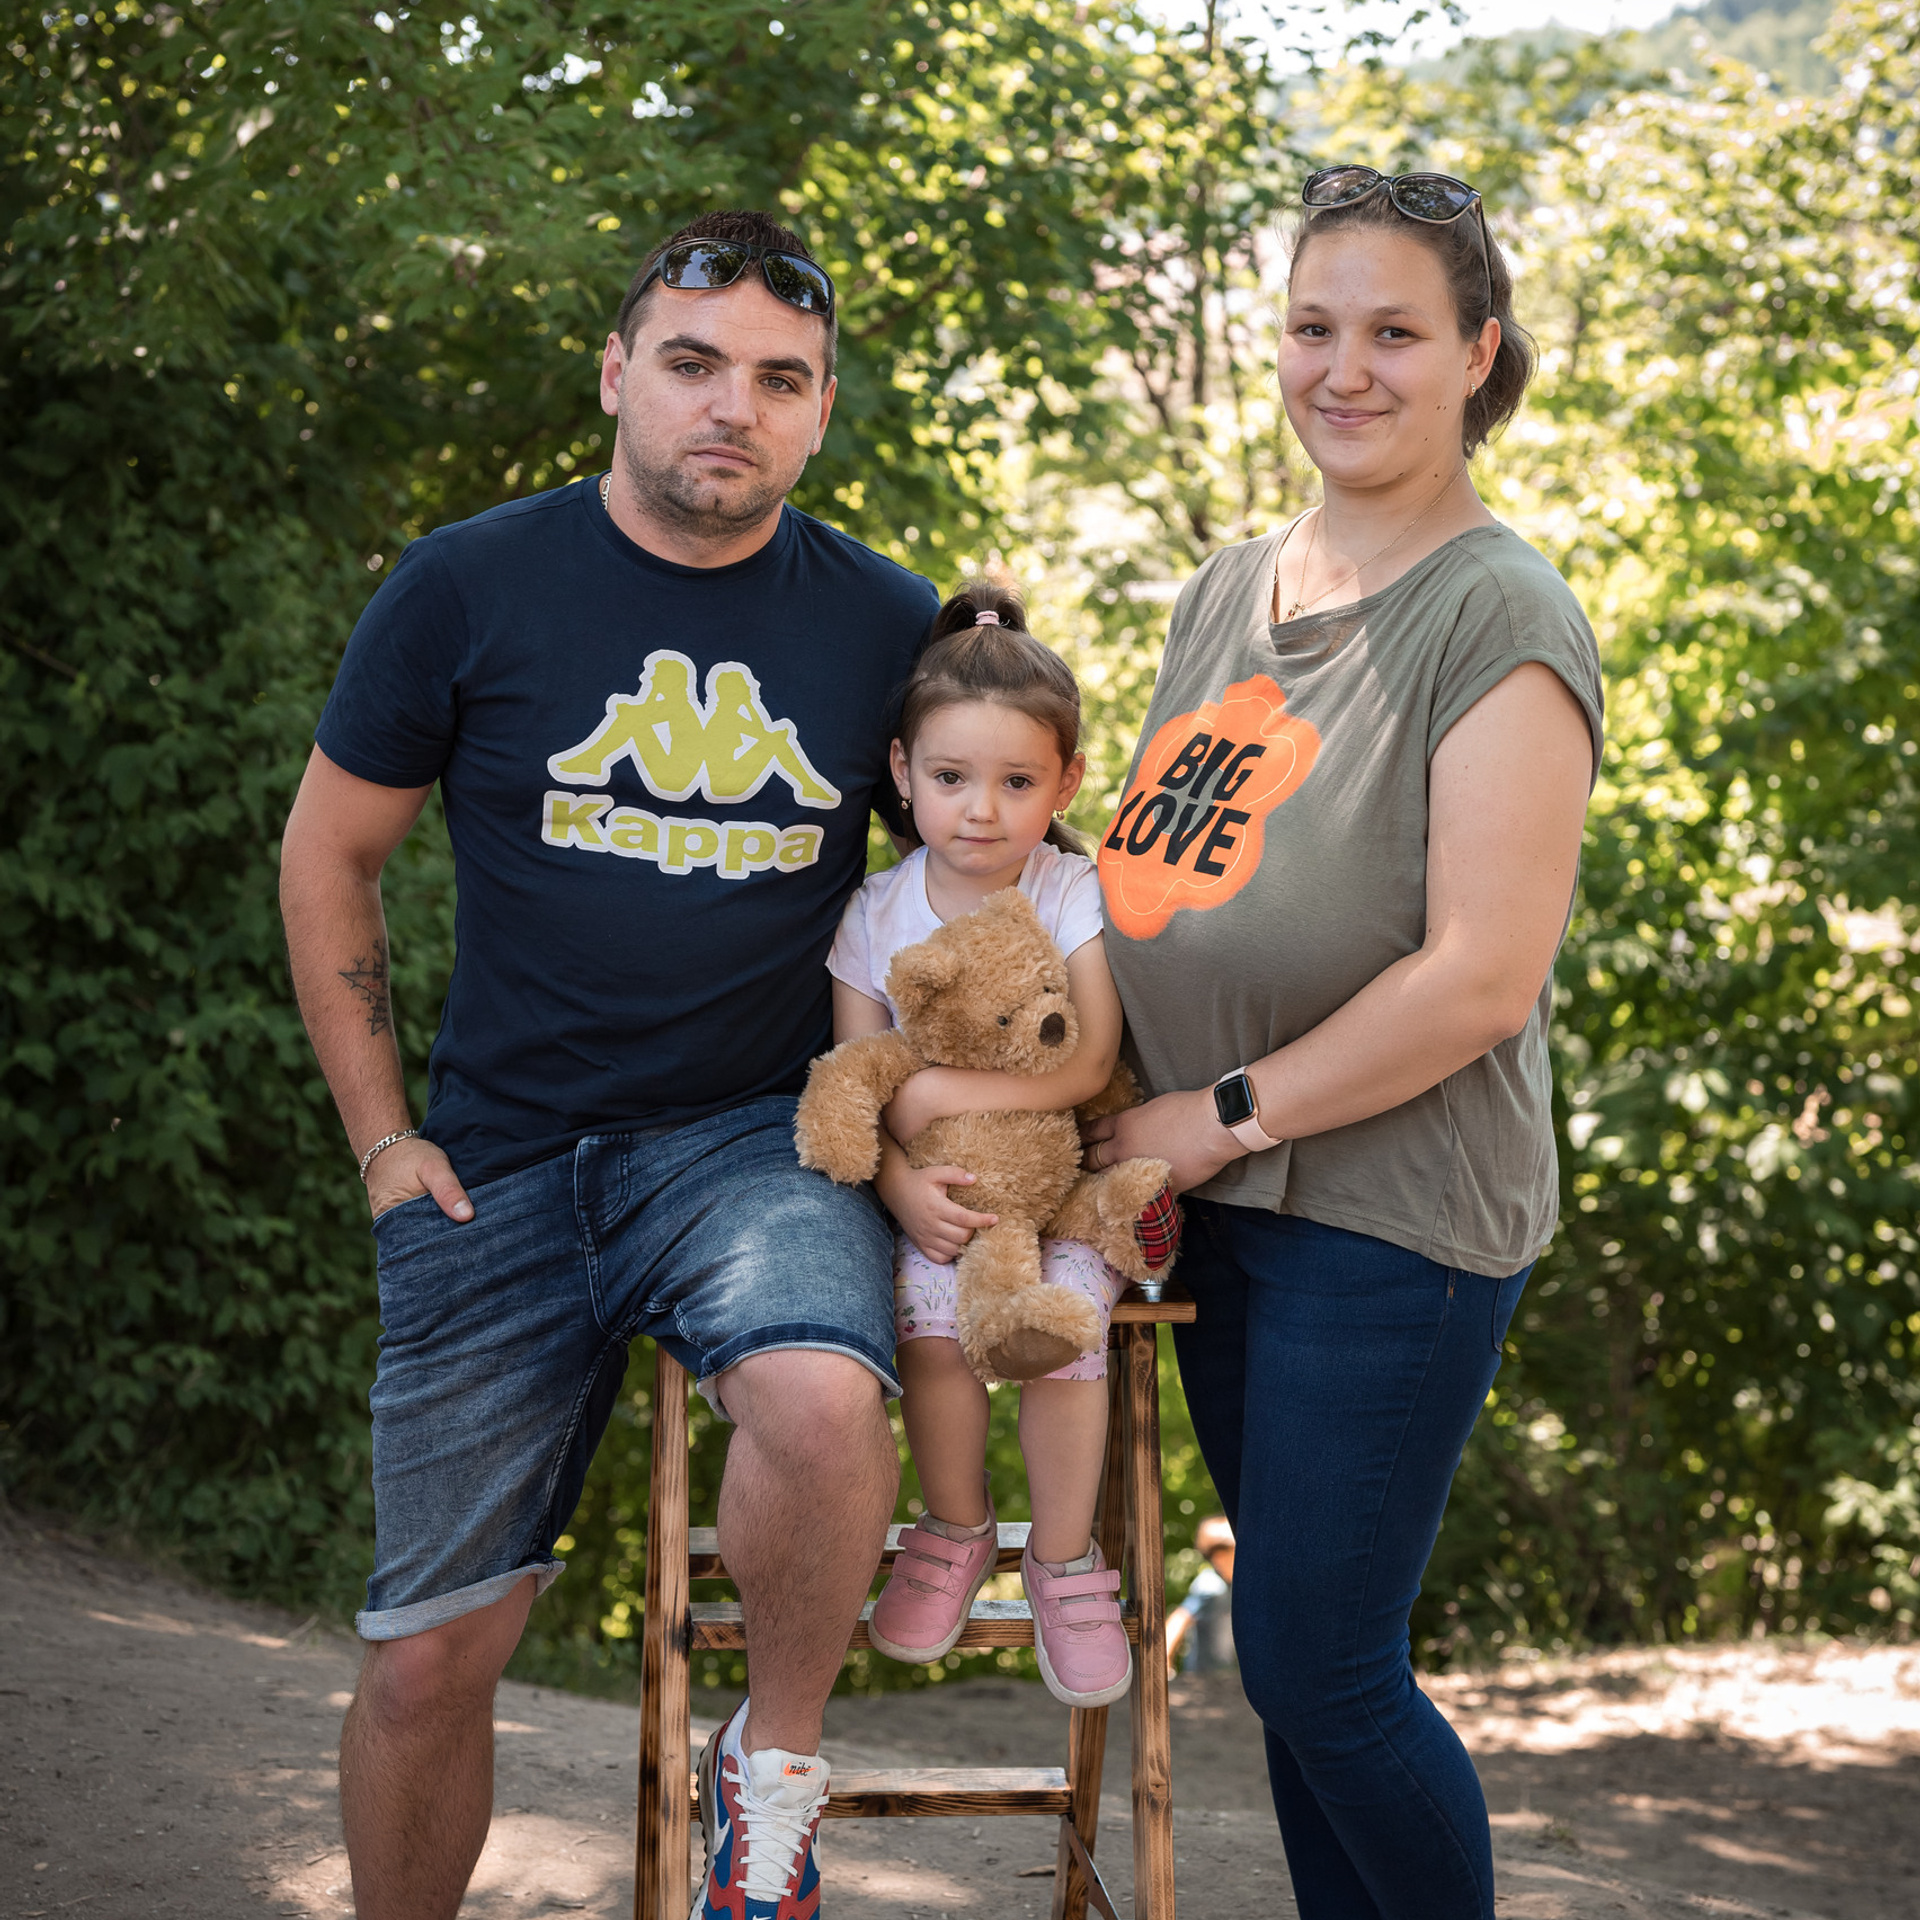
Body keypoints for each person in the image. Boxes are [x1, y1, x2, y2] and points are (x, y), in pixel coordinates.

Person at [278, 208, 938, 1920]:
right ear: (616, 375)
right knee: (431, 1664)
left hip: (749, 1144)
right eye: (694, 362)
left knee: (816, 1396)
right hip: (495, 1159)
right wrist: (381, 1141)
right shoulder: (467, 586)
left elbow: (979, 877)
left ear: (821, 409)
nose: (733, 405)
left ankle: (767, 1778)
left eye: (779, 379)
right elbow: (326, 855)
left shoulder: (886, 624)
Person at [1082, 166, 1604, 1919]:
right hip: (1218, 1214)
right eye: (1316, 328)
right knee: (1294, 1685)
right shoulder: (1230, 588)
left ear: (1479, 355)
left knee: (1318, 1666)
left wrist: (1205, 1115)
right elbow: (1160, 882)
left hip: (1386, 1218)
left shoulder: (1498, 616)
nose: (1345, 367)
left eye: (1395, 331)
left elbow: (1476, 979)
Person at [827, 583, 1135, 1710]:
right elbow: (857, 1085)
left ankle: (1062, 1564)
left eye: (1018, 783)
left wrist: (939, 1087)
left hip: (1059, 1189)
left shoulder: (1069, 890)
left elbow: (1092, 1059)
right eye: (952, 779)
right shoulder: (875, 912)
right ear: (903, 772)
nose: (982, 811)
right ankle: (955, 1526)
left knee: (1065, 1324)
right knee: (935, 1321)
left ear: (1066, 784)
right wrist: (903, 1189)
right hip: (946, 1198)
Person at [1165, 1515, 1236, 1676]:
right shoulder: (1210, 1586)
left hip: (1225, 1672)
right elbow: (1181, 1617)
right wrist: (1165, 1657)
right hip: (1202, 1673)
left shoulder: (1232, 1585)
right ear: (1219, 1557)